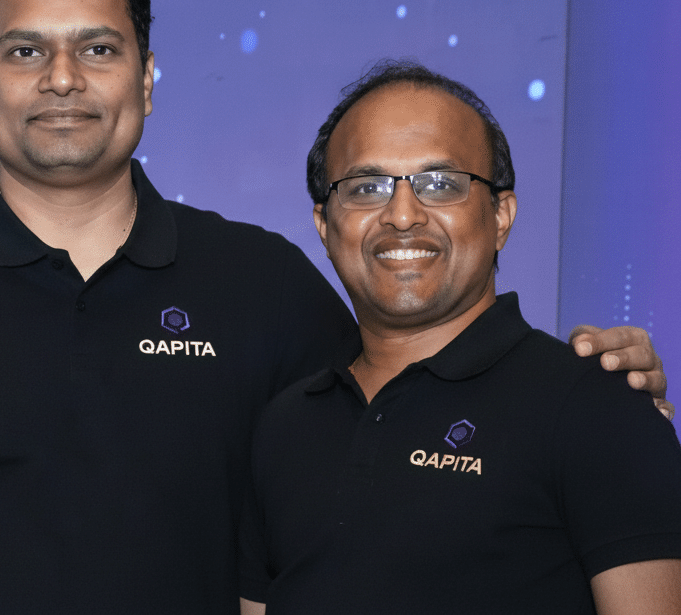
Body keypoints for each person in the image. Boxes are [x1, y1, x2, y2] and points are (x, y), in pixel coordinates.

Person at [0, 0, 667, 615]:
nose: (64, 78)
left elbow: (420, 394)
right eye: (26, 49)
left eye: (99, 48)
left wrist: (603, 396)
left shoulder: (264, 285)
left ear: (148, 79)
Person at [239, 60, 681, 614]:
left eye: (440, 184)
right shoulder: (285, 425)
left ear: (501, 214)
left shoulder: (598, 406)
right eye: (366, 187)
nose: (402, 214)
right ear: (326, 227)